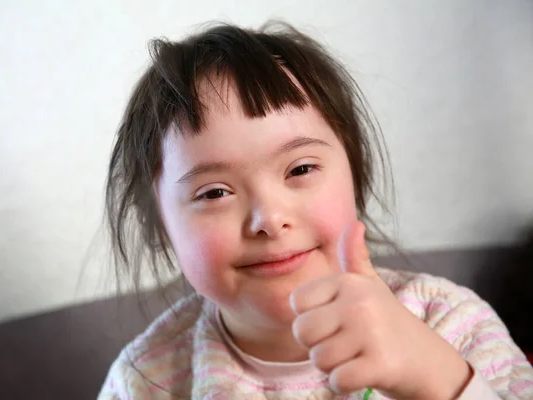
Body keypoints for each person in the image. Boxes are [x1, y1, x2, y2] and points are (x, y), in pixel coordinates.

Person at [98, 22, 533, 399]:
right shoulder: (145, 381)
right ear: (162, 229)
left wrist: (437, 378)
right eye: (214, 193)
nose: (269, 218)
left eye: (300, 168)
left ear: (354, 175)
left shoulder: (450, 323)